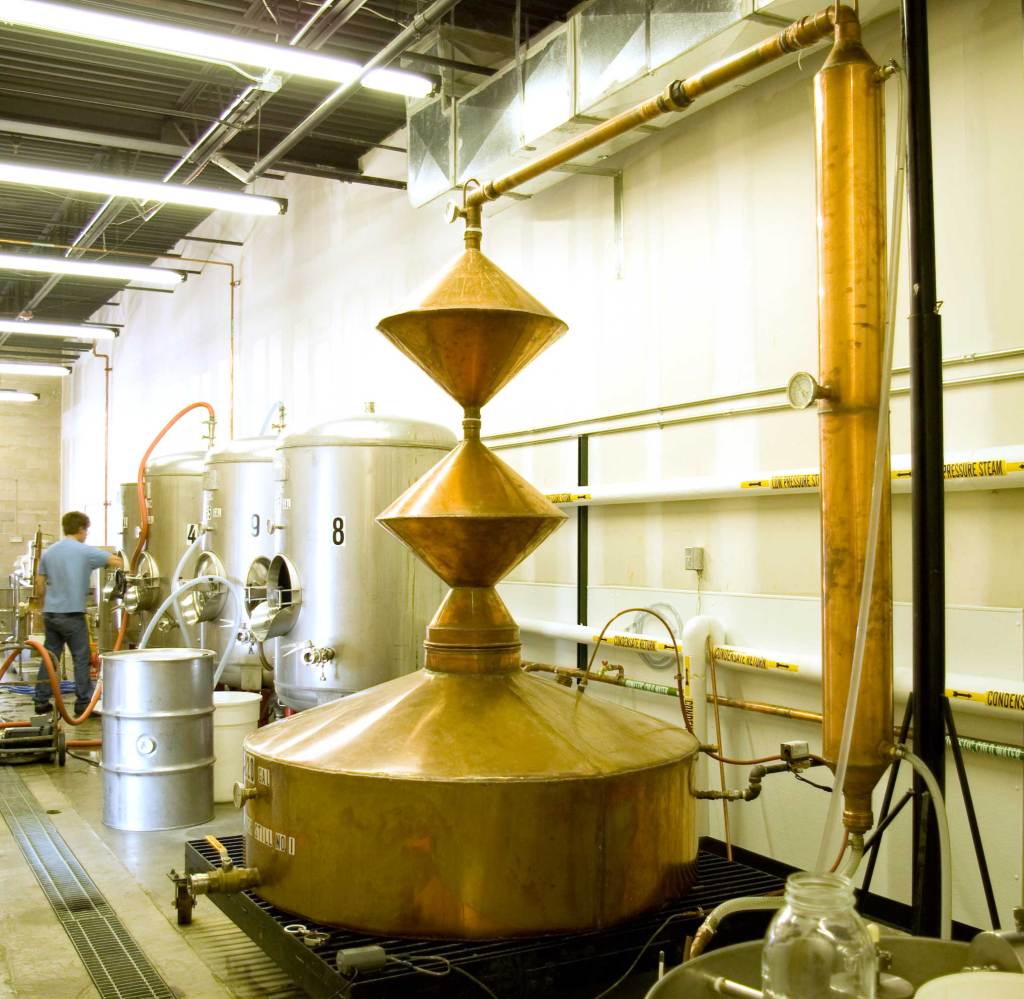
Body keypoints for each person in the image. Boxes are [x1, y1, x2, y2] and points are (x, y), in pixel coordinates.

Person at [33, 511, 123, 716]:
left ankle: (40, 700)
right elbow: (117, 561)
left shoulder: (49, 553)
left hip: (51, 613)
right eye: (86, 530)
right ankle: (83, 703)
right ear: (81, 529)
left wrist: (44, 605)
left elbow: (39, 584)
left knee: (50, 657)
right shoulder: (85, 552)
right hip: (72, 615)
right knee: (81, 658)